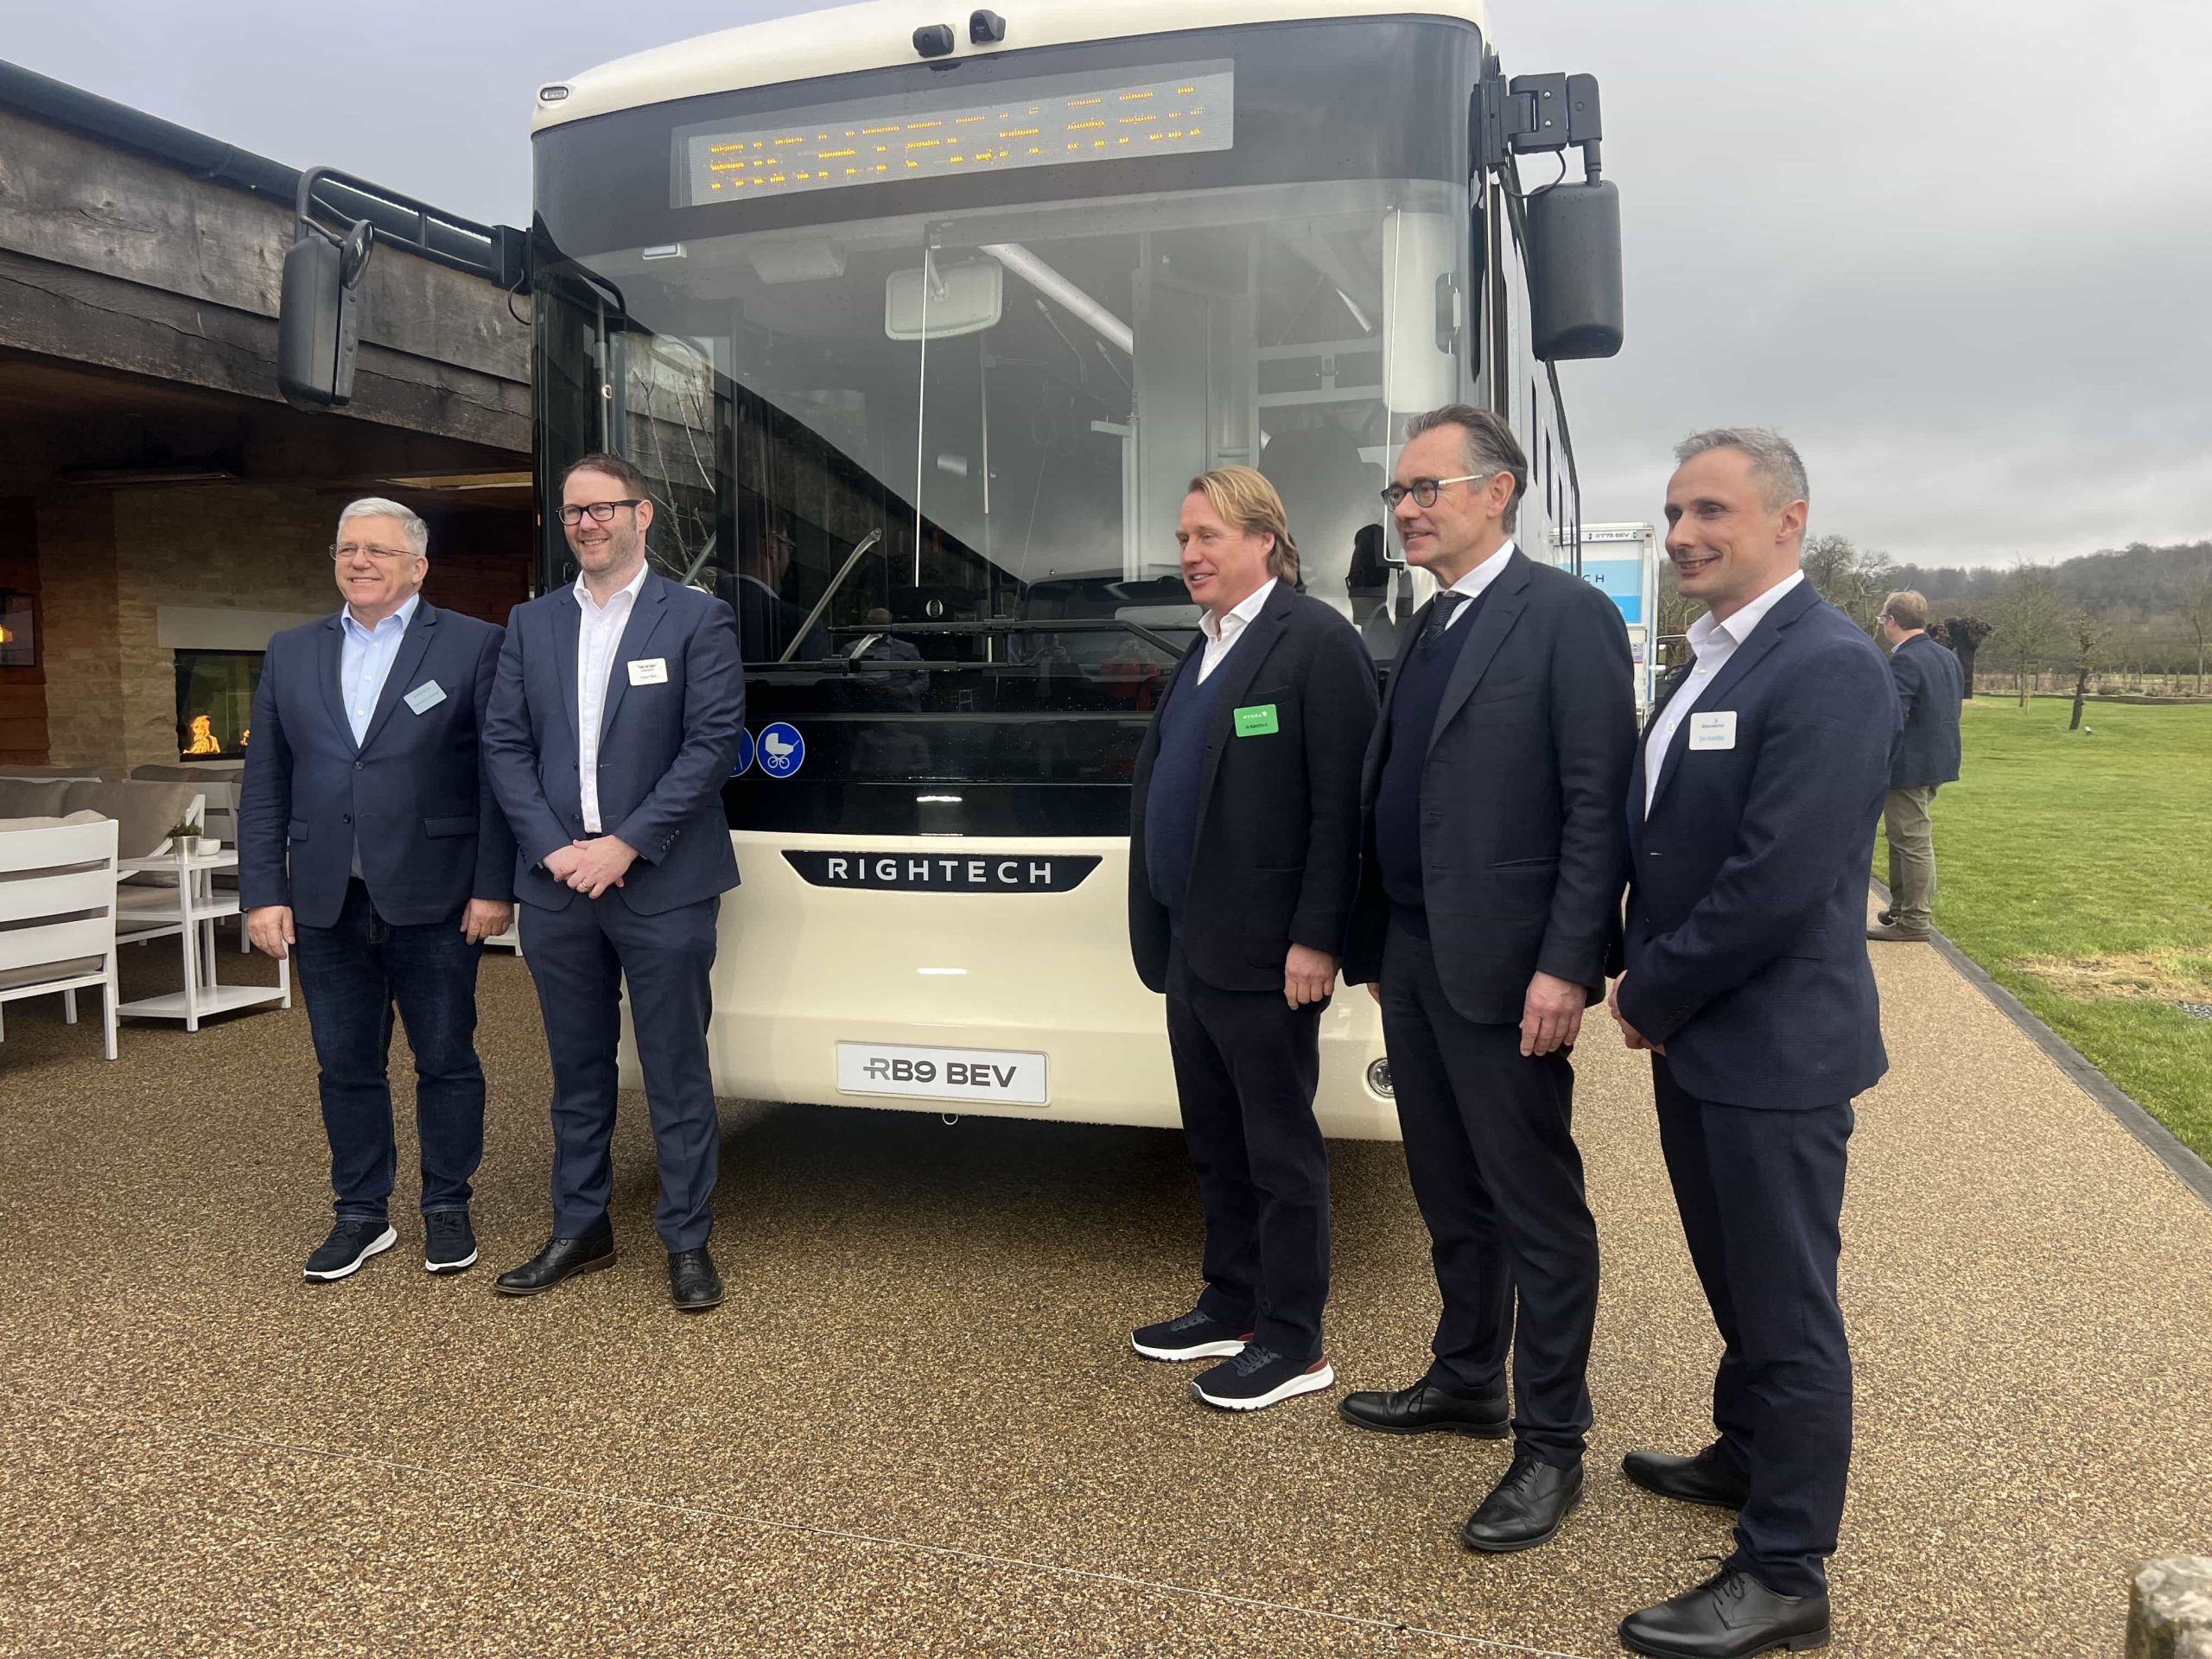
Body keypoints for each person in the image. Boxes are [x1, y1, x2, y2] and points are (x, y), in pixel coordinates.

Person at [1608, 429, 1897, 1659]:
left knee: (1786, 1307)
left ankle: (1786, 1568)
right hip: (1705, 1046)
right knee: (1737, 1279)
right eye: (1675, 512)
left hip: (1772, 1051)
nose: (1683, 536)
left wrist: (1648, 990)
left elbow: (1777, 879)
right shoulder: (1708, 659)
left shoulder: (1827, 665)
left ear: (1790, 520)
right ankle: (1747, 1452)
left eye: (1711, 511)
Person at [1338, 405, 1636, 1553]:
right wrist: (1375, 943)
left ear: (1497, 490)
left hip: (1513, 970)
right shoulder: (1430, 625)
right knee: (1447, 1188)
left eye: (1428, 489)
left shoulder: (1564, 619)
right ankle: (1468, 1374)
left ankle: (1551, 1445)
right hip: (1413, 953)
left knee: (1535, 1205)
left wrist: (1570, 963)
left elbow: (1595, 805)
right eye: (1398, 495)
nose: (1408, 509)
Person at [1126, 466, 1377, 1412]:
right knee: (1216, 1143)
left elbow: (1339, 811)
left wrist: (1318, 938)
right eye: (1184, 537)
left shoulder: (1314, 643)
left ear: (1264, 540)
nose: (1188, 554)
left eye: (1208, 537)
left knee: (1279, 1151)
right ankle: (1230, 1303)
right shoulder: (1203, 648)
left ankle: (1294, 1337)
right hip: (1192, 948)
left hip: (1272, 955)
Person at [481, 451, 745, 1313]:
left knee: (675, 1069)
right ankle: (580, 1227)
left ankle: (687, 1239)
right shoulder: (533, 624)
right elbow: (505, 748)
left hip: (660, 880)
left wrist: (624, 845)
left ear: (643, 516)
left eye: (602, 509)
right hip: (560, 885)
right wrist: (557, 851)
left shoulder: (695, 620)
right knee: (576, 1070)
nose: (586, 524)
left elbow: (710, 747)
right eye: (572, 513)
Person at [238, 498, 514, 1284]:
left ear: (417, 566)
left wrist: (494, 885)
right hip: (324, 900)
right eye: (348, 548)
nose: (360, 562)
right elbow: (265, 783)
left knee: (446, 1060)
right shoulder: (291, 651)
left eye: (379, 551)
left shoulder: (472, 645)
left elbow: (498, 779)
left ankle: (445, 1205)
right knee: (344, 1065)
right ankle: (360, 1215)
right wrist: (263, 891)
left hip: (437, 896)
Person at [1867, 588, 1963, 943]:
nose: (1883, 626)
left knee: (1912, 841)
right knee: (1901, 837)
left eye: (1882, 620)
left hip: (1909, 765)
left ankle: (1916, 921)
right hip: (1938, 759)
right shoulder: (1945, 656)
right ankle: (1901, 907)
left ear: (1892, 621)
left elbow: (1893, 716)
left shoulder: (1905, 661)